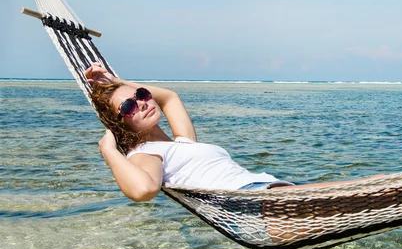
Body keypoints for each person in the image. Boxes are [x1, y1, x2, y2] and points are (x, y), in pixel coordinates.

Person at [85, 63, 384, 203]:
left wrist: (118, 81)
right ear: (120, 123)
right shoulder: (147, 155)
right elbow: (143, 190)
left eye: (141, 94)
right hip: (253, 204)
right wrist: (109, 151)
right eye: (128, 106)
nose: (141, 102)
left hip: (270, 190)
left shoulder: (183, 144)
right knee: (375, 188)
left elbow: (171, 97)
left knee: (374, 189)